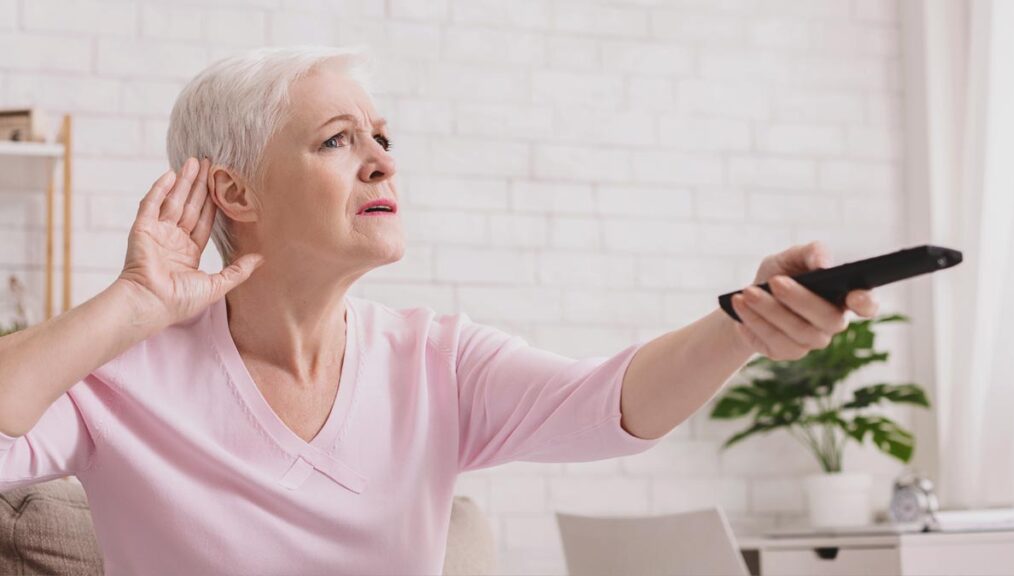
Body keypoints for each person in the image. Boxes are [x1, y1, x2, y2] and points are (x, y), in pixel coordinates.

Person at [0, 45, 878, 575]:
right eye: (338, 139)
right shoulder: (118, 371)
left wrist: (741, 323)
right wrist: (133, 302)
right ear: (235, 191)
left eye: (382, 137)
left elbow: (610, 402)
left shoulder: (437, 360)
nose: (382, 160)